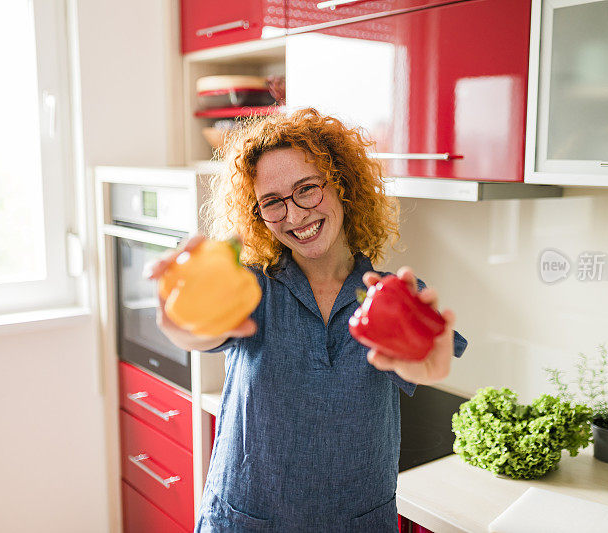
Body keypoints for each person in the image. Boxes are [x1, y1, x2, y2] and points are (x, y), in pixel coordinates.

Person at [149, 108, 467, 532]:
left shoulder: (389, 297)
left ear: (342, 187)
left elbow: (422, 362)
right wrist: (176, 316)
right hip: (246, 521)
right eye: (272, 202)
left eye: (307, 189)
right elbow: (199, 333)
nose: (295, 215)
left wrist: (427, 364)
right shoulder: (248, 286)